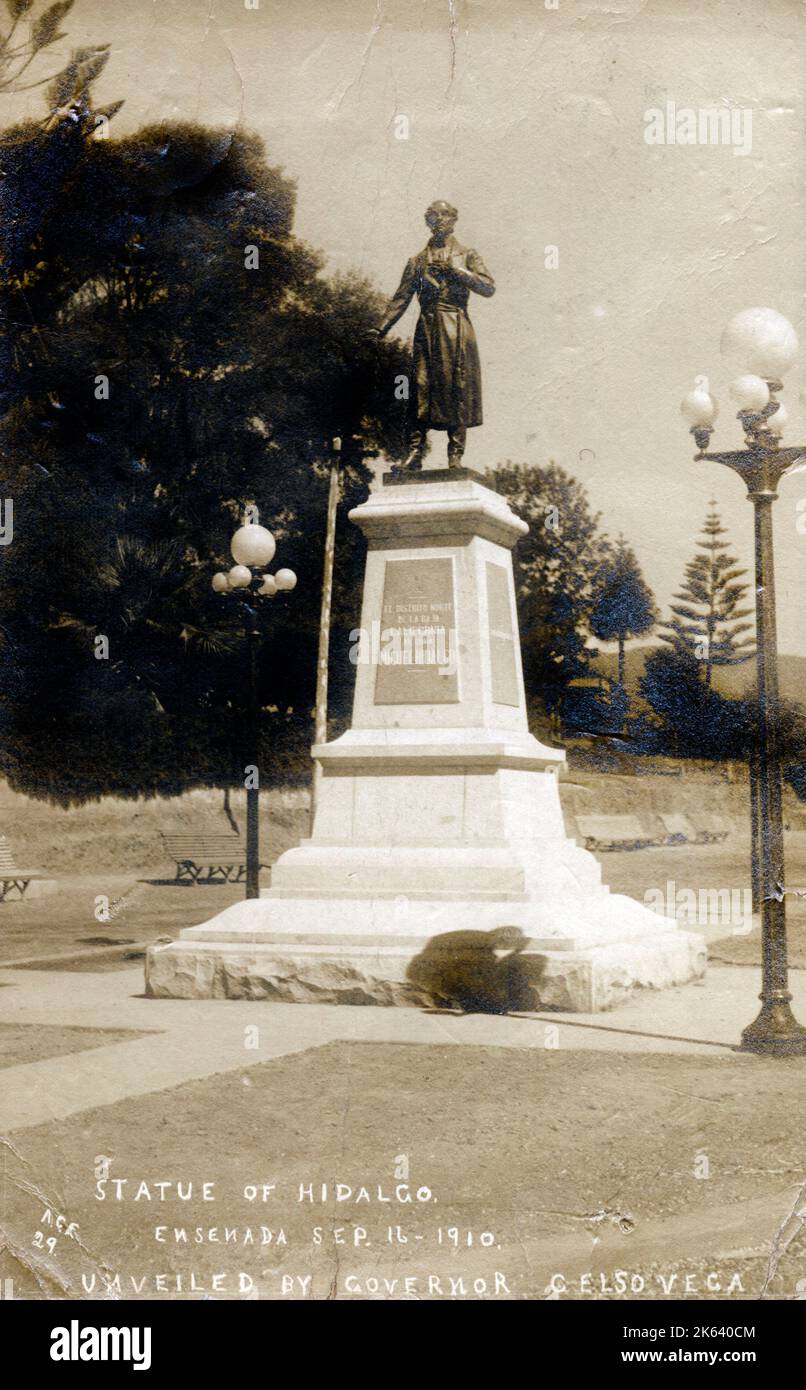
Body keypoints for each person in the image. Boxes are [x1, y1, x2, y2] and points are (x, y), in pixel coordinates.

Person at [369, 201, 495, 470]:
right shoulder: (416, 261)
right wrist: (380, 328)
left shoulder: (467, 255)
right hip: (426, 329)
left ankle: (455, 455)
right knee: (419, 387)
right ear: (427, 221)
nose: (438, 220)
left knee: (456, 386)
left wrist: (457, 272)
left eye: (444, 215)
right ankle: (415, 453)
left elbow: (488, 287)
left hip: (456, 326)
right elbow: (400, 299)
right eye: (432, 215)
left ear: (454, 219)